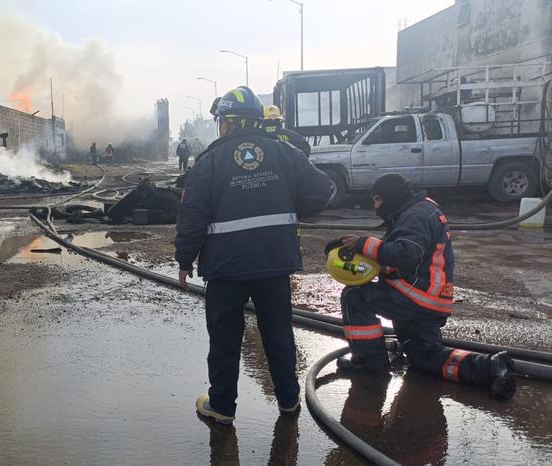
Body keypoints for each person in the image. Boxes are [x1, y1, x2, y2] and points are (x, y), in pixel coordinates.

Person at [176, 86, 331, 424]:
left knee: (225, 338)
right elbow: (322, 190)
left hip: (226, 267)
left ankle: (222, 406)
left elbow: (192, 215)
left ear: (228, 123)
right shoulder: (284, 153)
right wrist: (290, 207)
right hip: (273, 263)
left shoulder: (210, 162)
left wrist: (184, 259)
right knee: (278, 333)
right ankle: (289, 402)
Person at [332, 173, 516, 400]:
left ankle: (369, 362)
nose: (376, 207)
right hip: (428, 298)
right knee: (424, 357)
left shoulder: (415, 215)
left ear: (390, 197)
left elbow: (406, 254)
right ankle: (491, 367)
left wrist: (363, 243)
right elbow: (401, 254)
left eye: (378, 200)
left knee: (354, 296)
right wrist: (356, 249)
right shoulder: (418, 209)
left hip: (415, 295)